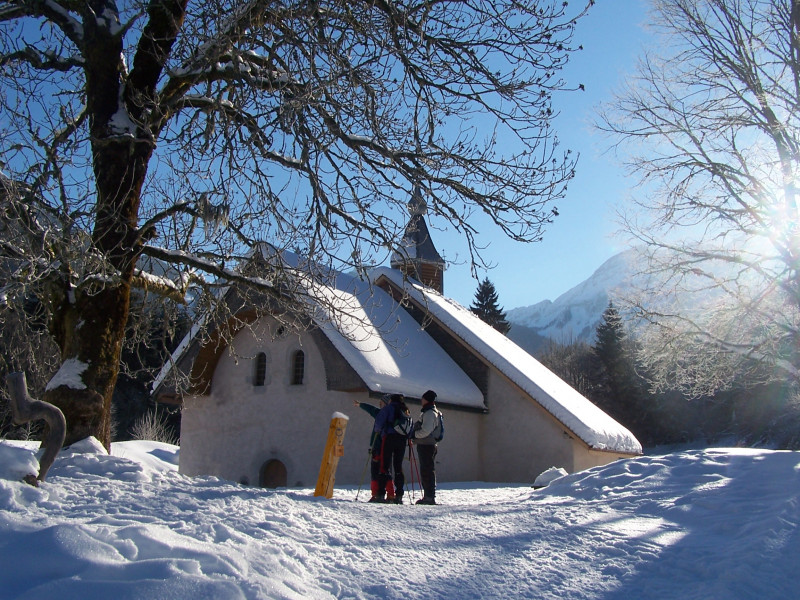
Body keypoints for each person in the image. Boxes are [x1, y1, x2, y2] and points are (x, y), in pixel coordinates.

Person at [353, 397, 396, 502]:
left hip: (378, 447)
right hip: (388, 447)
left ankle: (376, 494)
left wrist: (361, 404)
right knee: (387, 471)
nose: (379, 404)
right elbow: (372, 409)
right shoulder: (392, 415)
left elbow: (371, 409)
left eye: (381, 402)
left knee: (376, 471)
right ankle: (390, 494)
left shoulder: (381, 414)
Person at [373, 393, 410, 504]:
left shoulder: (388, 408)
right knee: (398, 466)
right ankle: (399, 495)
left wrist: (378, 431)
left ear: (391, 401)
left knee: (385, 465)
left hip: (389, 437)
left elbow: (379, 423)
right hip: (402, 440)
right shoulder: (406, 410)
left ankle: (380, 494)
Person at [412, 389, 441, 505]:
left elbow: (425, 431)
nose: (421, 400)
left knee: (427, 470)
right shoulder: (431, 411)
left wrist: (414, 435)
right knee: (427, 469)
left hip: (426, 444)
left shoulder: (429, 413)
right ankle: (428, 496)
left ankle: (429, 497)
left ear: (426, 399)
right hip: (428, 444)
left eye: (423, 398)